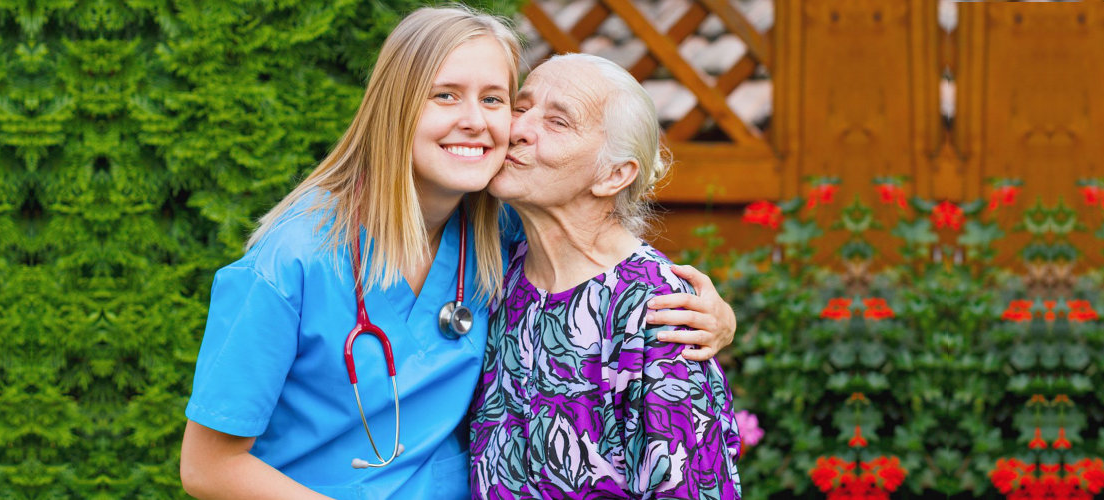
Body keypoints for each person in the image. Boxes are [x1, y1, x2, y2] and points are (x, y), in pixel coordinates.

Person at [179, 7, 739, 499]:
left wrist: (715, 316)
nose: (480, 121)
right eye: (445, 95)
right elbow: (207, 468)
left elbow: (599, 247)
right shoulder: (290, 262)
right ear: (395, 108)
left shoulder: (498, 232)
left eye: (494, 100)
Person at [468, 53, 743, 499]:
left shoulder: (656, 313)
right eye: (520, 108)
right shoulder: (498, 259)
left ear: (613, 175)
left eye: (558, 122)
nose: (517, 129)